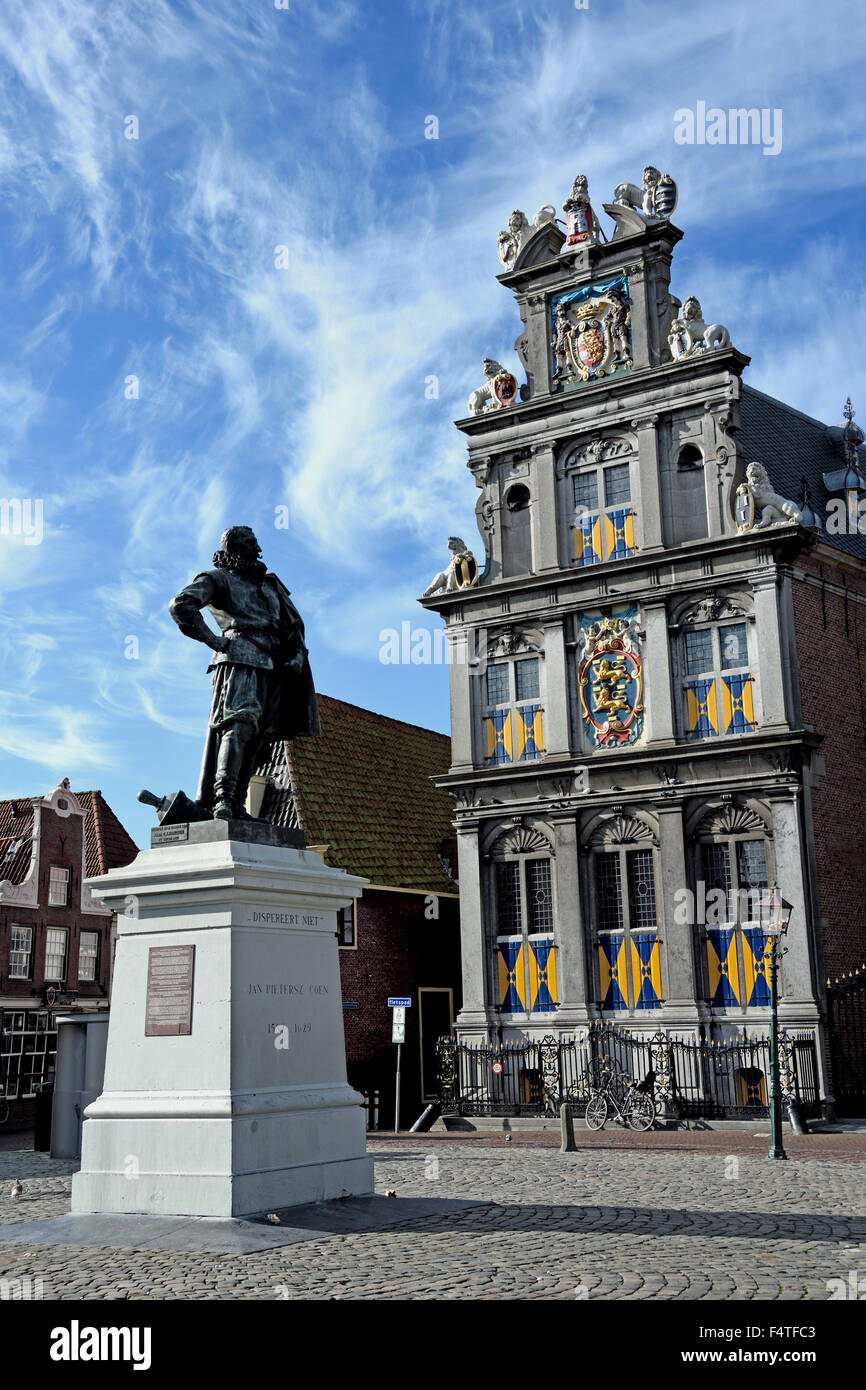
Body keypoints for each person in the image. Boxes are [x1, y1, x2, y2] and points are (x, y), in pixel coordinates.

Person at [168, 525, 320, 820]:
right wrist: (213, 640)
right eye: (251, 544)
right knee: (239, 725)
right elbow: (181, 605)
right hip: (241, 657)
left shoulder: (272, 586)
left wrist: (298, 654)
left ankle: (237, 804)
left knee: (261, 738)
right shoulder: (217, 580)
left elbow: (294, 627)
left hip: (275, 667)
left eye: (257, 544)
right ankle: (222, 798)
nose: (258, 550)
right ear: (234, 549)